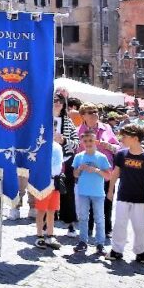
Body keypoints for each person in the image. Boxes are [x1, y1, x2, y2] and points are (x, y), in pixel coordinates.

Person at [106, 124, 144, 264]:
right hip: (123, 196)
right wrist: (110, 191)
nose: (121, 139)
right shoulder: (121, 154)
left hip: (141, 199)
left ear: (135, 138)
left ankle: (140, 252)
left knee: (140, 226)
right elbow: (115, 173)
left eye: (125, 136)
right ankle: (116, 250)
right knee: (119, 224)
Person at [77, 102, 120, 241]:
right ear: (83, 115)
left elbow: (118, 147)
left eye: (96, 111)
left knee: (107, 199)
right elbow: (76, 151)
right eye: (90, 112)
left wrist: (110, 146)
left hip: (105, 170)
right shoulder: (79, 131)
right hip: (87, 172)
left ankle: (107, 229)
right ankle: (88, 228)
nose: (95, 114)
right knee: (87, 200)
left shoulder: (106, 127)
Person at [72, 130, 112, 254]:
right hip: (83, 192)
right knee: (83, 218)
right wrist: (79, 169)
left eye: (90, 140)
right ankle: (83, 241)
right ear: (82, 142)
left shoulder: (101, 157)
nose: (88, 143)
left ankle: (100, 243)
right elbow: (75, 174)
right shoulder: (79, 156)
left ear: (95, 141)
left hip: (98, 193)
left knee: (99, 218)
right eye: (85, 141)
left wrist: (95, 170)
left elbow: (108, 176)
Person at [53, 92, 80, 237]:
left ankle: (70, 223)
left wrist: (64, 141)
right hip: (48, 161)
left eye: (60, 101)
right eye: (55, 100)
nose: (57, 103)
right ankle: (45, 224)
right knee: (48, 191)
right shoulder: (43, 119)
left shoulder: (68, 121)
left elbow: (76, 143)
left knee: (68, 192)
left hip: (66, 160)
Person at [35, 141, 64, 250]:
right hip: (43, 182)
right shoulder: (39, 145)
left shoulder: (57, 146)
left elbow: (61, 162)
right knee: (41, 210)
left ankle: (50, 235)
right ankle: (39, 235)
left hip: (55, 181)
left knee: (52, 210)